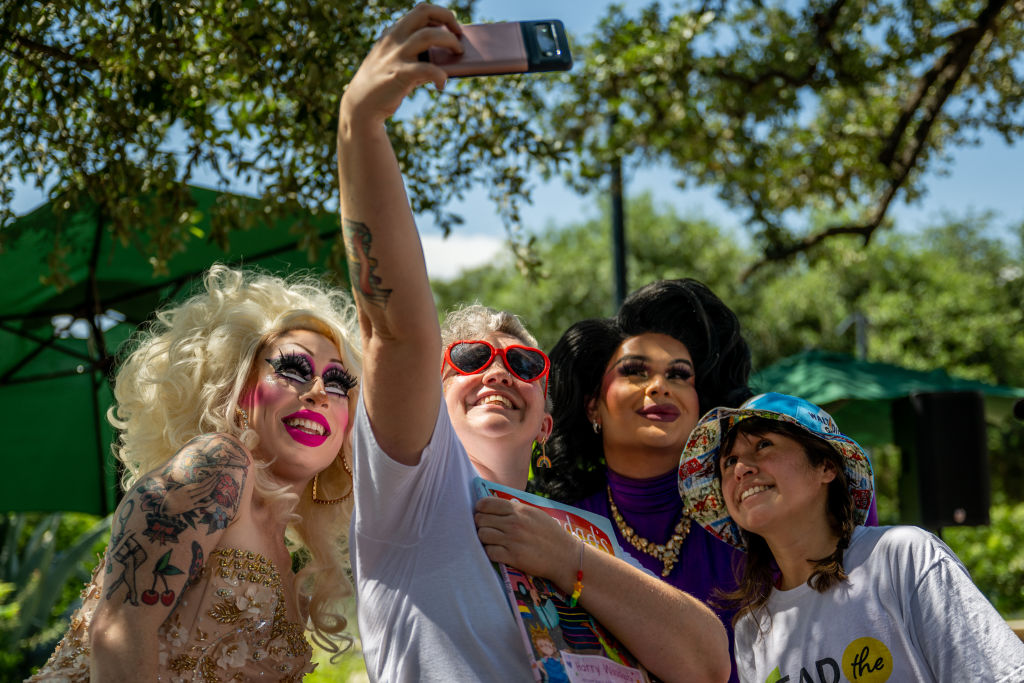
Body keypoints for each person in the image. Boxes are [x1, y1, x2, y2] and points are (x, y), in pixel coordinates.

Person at [338, 5, 730, 681]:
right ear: (432, 394)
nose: (496, 372)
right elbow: (395, 328)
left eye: (522, 361)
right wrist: (359, 126)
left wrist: (569, 559)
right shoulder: (415, 488)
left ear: (547, 419)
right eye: (468, 358)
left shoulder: (590, 535)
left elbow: (704, 660)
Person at [29, 265, 361, 681]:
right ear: (238, 390)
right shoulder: (218, 463)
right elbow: (118, 631)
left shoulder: (288, 558)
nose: (317, 392)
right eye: (293, 370)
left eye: (337, 383)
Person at [677, 392, 1024, 682]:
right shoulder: (752, 630)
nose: (742, 469)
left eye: (764, 445)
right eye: (729, 461)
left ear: (826, 467)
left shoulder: (902, 557)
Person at [531, 279, 755, 680]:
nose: (660, 387)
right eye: (635, 371)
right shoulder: (554, 530)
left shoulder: (749, 520)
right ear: (593, 407)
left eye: (680, 375)